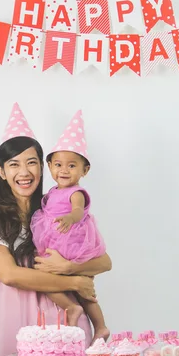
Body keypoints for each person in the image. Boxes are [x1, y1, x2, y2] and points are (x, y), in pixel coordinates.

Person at [0, 103, 112, 356]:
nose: (24, 172)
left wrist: (68, 267)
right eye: (13, 164)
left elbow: (104, 261)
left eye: (31, 162)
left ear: (43, 167)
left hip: (68, 325)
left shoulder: (61, 210)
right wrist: (74, 282)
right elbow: (10, 274)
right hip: (22, 327)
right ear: (1, 171)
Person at [30, 110, 109, 343]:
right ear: (50, 167)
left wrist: (70, 219)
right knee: (51, 282)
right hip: (54, 240)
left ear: (85, 170)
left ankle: (99, 324)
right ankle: (79, 313)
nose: (64, 170)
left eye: (72, 166)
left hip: (72, 243)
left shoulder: (77, 193)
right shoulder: (53, 191)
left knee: (80, 287)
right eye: (58, 165)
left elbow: (77, 211)